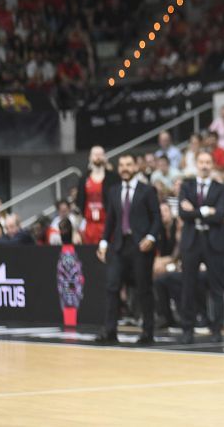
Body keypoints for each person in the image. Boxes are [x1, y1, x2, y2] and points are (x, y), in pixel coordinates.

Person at [95, 153, 160, 345]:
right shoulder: (113, 191)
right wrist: (104, 242)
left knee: (143, 289)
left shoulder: (147, 190)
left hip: (140, 246)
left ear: (135, 167)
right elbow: (110, 220)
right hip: (119, 246)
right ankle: (110, 331)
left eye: (128, 164)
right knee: (112, 287)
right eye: (122, 165)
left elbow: (156, 217)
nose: (125, 168)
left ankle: (148, 332)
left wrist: (151, 237)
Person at [178, 151, 224, 344]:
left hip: (213, 242)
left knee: (216, 287)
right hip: (192, 241)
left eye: (208, 162)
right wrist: (207, 210)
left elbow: (220, 215)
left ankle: (217, 329)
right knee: (188, 286)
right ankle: (187, 329)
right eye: (201, 162)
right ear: (196, 164)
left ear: (213, 165)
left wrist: (196, 211)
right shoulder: (187, 185)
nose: (205, 165)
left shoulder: (220, 188)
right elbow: (183, 213)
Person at [77, 145, 113, 245]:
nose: (97, 157)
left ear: (105, 157)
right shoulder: (83, 179)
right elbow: (79, 202)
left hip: (107, 224)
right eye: (95, 154)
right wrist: (76, 230)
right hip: (89, 225)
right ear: (90, 157)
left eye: (100, 154)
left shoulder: (112, 178)